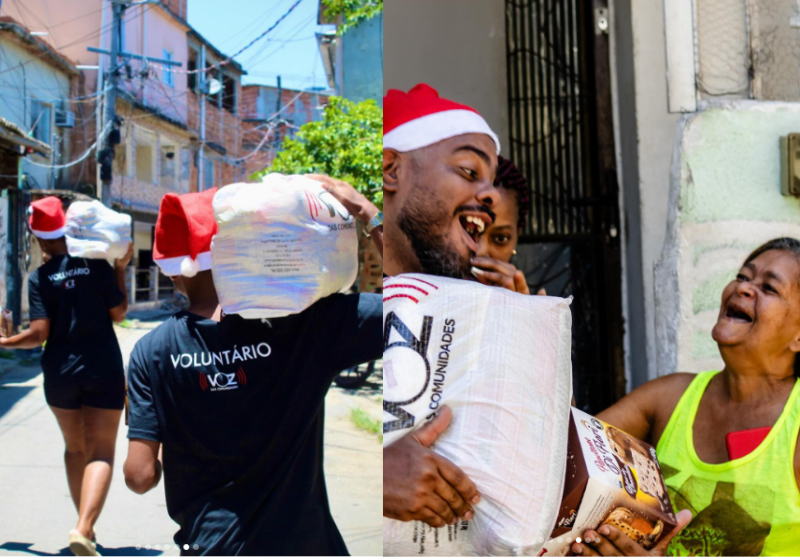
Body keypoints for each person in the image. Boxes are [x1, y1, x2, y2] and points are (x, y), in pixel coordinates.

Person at [122, 177, 383, 556]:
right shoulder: (307, 322)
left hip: (213, 546)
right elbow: (419, 304)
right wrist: (367, 212)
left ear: (172, 271)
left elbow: (140, 476)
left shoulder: (151, 352)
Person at [573, 237, 800, 557]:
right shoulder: (669, 397)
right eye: (743, 277)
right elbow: (570, 450)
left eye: (770, 288)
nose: (743, 289)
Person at [383, 84, 502, 528]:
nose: (489, 196)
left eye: (491, 182)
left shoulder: (475, 319)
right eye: (470, 170)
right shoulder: (338, 306)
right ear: (390, 170)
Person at [0, 196, 133, 556]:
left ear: (39, 238)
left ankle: (84, 528)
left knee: (75, 450)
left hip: (59, 375)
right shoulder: (96, 265)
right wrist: (120, 267)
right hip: (102, 367)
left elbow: (38, 334)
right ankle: (84, 527)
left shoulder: (40, 278)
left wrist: (6, 340)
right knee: (101, 453)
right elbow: (119, 313)